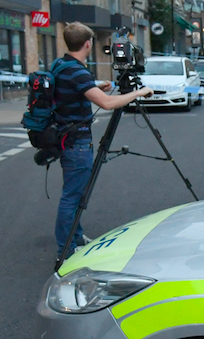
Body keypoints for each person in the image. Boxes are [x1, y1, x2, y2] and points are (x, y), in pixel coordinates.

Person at [53, 23, 152, 260]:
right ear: (88, 44)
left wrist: (95, 86)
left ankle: (75, 238)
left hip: (67, 138)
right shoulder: (78, 71)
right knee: (72, 196)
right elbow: (107, 104)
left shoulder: (61, 65)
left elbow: (70, 86)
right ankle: (65, 250)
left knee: (75, 194)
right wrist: (138, 92)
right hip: (76, 143)